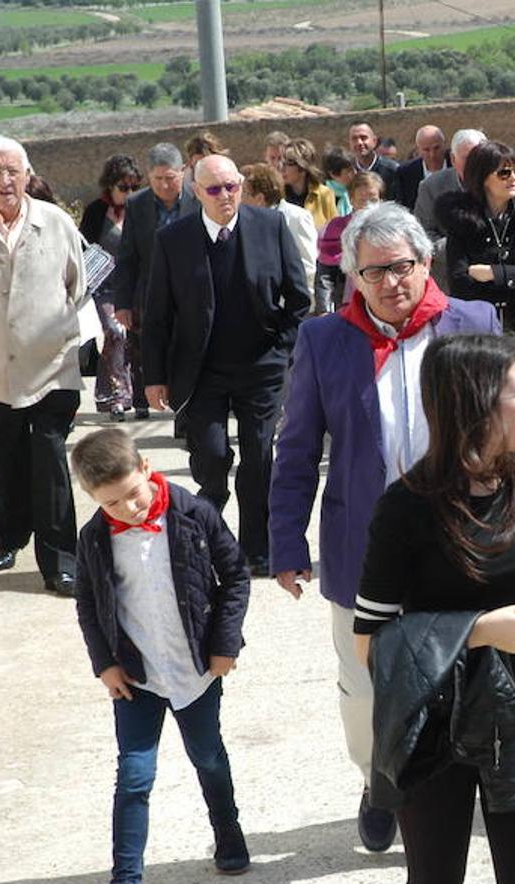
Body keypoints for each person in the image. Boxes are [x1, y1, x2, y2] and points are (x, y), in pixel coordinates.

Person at [269, 201, 515, 855]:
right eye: (372, 272)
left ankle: (444, 784)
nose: (389, 283)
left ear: (425, 262)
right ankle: (377, 777)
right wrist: (286, 542)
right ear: (352, 276)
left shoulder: (470, 320)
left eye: (401, 267)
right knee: (363, 684)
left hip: (462, 542)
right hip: (365, 549)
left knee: (461, 666)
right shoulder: (324, 341)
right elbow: (296, 448)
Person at [356, 332, 515, 884]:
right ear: (478, 404)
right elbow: (369, 642)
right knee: (434, 883)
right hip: (433, 717)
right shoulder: (405, 507)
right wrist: (477, 631)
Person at [71, 428, 251, 884]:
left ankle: (228, 832)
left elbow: (235, 575)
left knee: (208, 756)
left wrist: (225, 644)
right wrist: (105, 664)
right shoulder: (94, 537)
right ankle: (125, 880)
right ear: (92, 498)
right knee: (134, 774)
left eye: (132, 495)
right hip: (135, 675)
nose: (127, 509)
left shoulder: (195, 514)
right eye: (111, 504)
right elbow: (87, 601)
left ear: (147, 470)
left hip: (195, 669)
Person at [142, 154, 312, 576]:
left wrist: (282, 350)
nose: (225, 196)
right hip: (201, 371)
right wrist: (155, 377)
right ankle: (211, 534)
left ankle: (257, 547)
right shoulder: (174, 240)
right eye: (214, 189)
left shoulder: (270, 227)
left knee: (258, 458)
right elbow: (158, 313)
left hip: (260, 365)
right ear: (195, 192)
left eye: (232, 186)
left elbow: (298, 297)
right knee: (212, 459)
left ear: (241, 184)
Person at [0, 137, 87, 595]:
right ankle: (9, 537)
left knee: (49, 459)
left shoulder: (56, 222)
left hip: (50, 367)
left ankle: (61, 561)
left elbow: (77, 284)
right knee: (5, 459)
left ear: (27, 175)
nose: (4, 180)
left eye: (12, 171)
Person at [439, 141, 515, 387]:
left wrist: (492, 273)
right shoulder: (462, 222)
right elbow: (461, 282)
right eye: (504, 172)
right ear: (483, 177)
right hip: (480, 337)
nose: (513, 178)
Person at [111, 142, 196, 420]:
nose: (164, 185)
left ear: (182, 172)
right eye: (157, 179)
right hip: (152, 294)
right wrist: (122, 303)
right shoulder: (137, 204)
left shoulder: (199, 200)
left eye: (170, 178)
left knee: (190, 352)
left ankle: (187, 417)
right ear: (148, 176)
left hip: (194, 292)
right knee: (155, 352)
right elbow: (128, 257)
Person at [79, 154, 144, 421]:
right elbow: (84, 248)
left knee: (135, 340)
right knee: (114, 332)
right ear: (110, 186)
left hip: (135, 286)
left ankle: (137, 396)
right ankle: (115, 396)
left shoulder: (141, 210)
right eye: (123, 188)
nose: (128, 194)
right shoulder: (96, 212)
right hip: (104, 287)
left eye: (133, 188)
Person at [241, 162, 319, 303]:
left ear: (259, 198)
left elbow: (307, 266)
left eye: (244, 193)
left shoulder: (296, 217)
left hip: (290, 307)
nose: (240, 199)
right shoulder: (247, 221)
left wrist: (300, 306)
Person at [316, 170, 385, 315]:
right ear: (352, 200)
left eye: (373, 200)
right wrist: (324, 309)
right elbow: (325, 275)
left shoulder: (393, 229)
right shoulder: (335, 229)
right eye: (362, 200)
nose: (367, 206)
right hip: (347, 304)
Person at [414, 127, 487, 242]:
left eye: (479, 157)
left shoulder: (501, 182)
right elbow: (422, 233)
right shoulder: (431, 187)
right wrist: (456, 249)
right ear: (453, 159)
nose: (474, 164)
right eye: (467, 158)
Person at [280, 138, 338, 230]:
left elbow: (334, 230)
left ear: (302, 167)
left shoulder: (324, 194)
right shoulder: (278, 196)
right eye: (282, 163)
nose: (282, 169)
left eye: (288, 164)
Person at [393, 124, 446, 210]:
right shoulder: (406, 173)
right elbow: (403, 207)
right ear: (418, 150)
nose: (432, 155)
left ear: (444, 144)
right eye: (426, 150)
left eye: (436, 148)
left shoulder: (457, 164)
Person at [349, 120, 399, 195]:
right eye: (354, 139)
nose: (359, 142)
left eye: (363, 138)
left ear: (374, 141)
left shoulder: (392, 170)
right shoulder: (347, 170)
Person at [321, 147, 354, 216]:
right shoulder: (322, 196)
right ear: (333, 174)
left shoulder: (356, 191)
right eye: (349, 171)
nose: (355, 173)